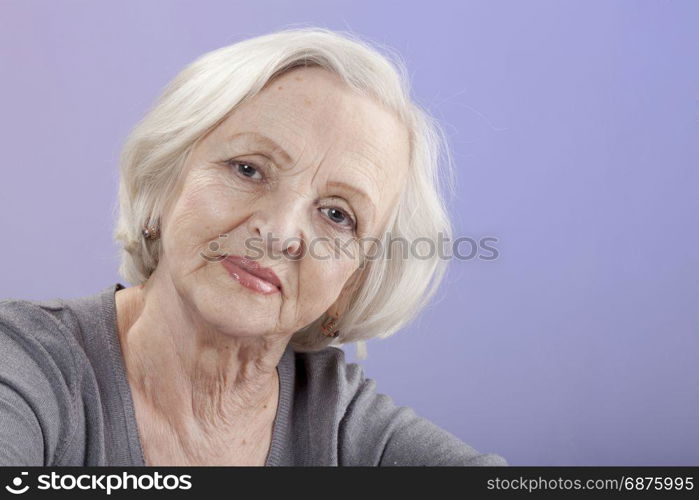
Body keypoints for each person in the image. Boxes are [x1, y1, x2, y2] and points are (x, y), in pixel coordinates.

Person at [0, 27, 507, 466]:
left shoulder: (342, 425)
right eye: (249, 169)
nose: (280, 233)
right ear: (164, 183)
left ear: (353, 281)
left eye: (337, 214)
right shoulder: (25, 363)